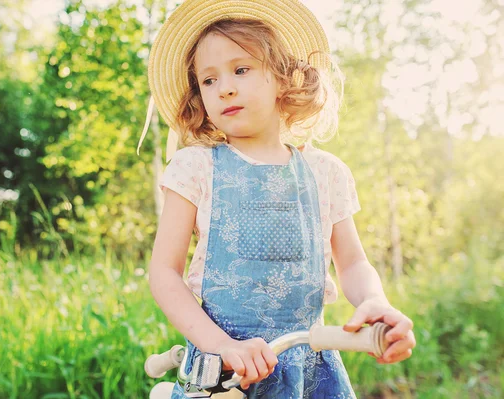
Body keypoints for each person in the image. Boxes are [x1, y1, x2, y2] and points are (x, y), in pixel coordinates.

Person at [140, 0, 416, 397]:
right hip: (226, 371)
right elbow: (164, 274)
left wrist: (374, 301)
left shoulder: (325, 173)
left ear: (284, 79)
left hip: (309, 370)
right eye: (209, 80)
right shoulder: (196, 167)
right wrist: (222, 346)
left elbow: (353, 262)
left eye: (241, 69)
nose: (226, 87)